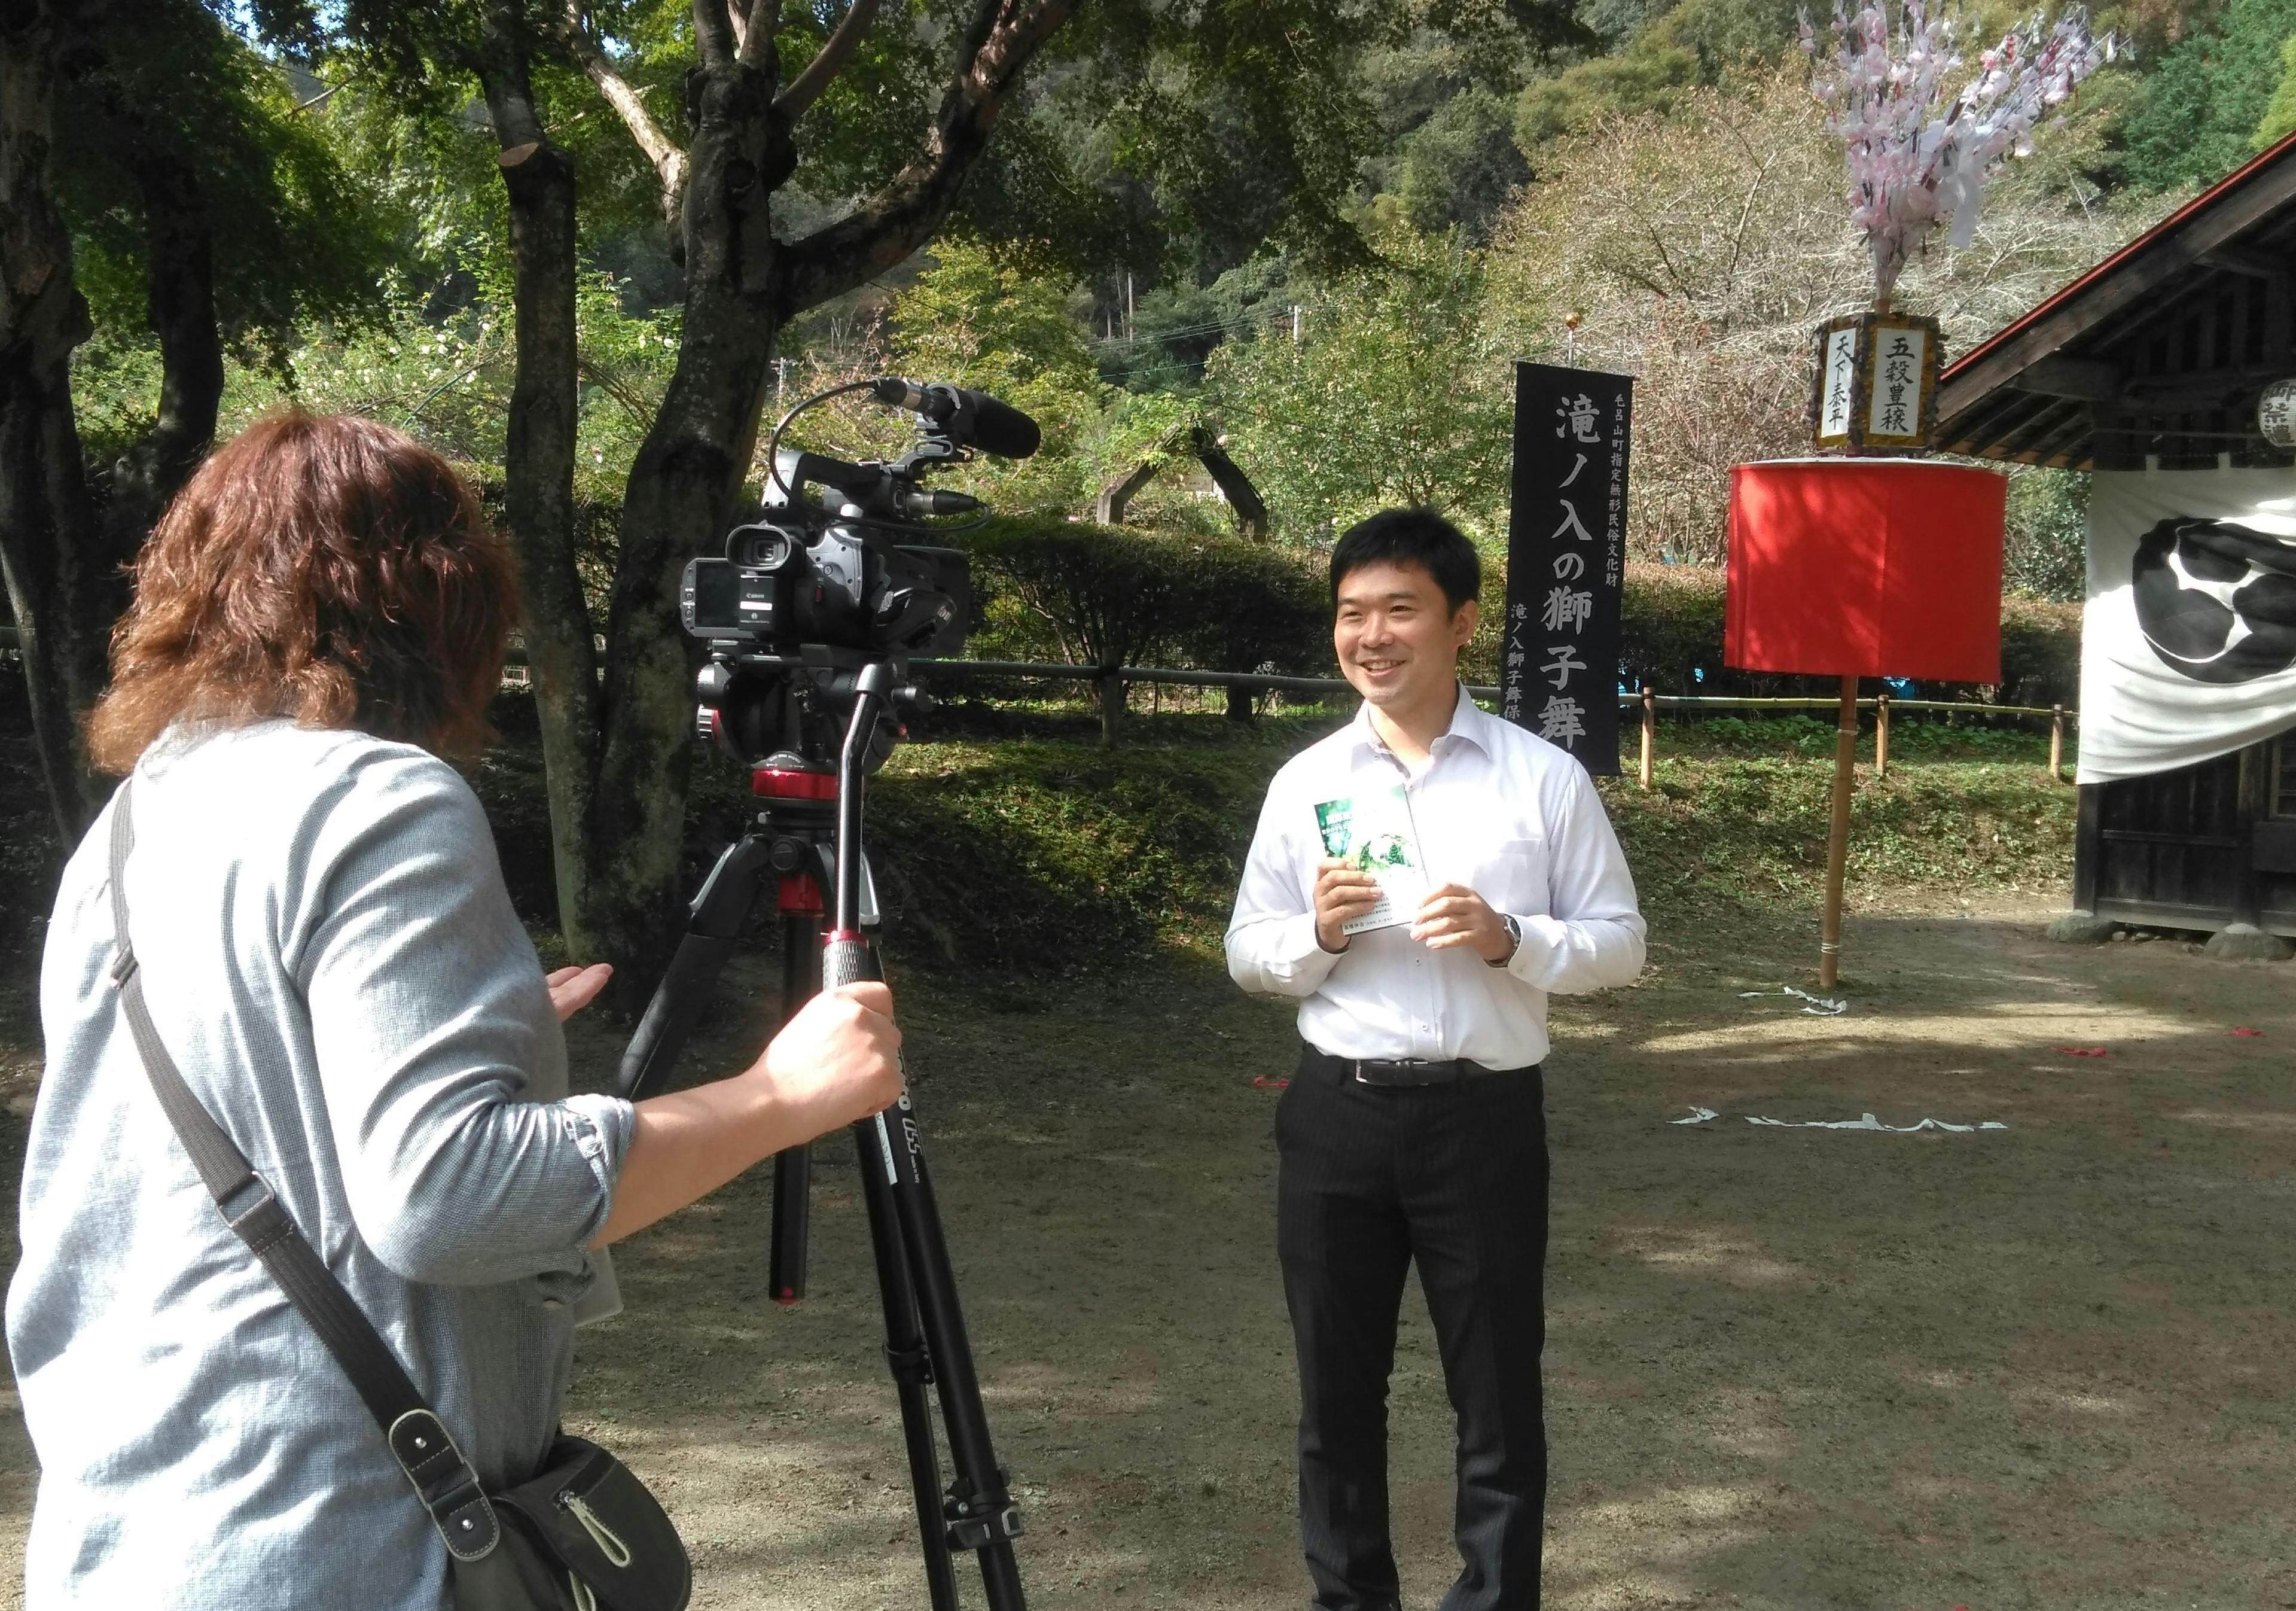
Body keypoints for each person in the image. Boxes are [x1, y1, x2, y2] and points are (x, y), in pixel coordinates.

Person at [4, 412, 905, 1609]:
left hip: (124, 1542)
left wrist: (455, 1022)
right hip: (332, 1552)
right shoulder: (380, 794)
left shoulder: (132, 827)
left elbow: (193, 1117)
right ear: (441, 596)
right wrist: (779, 1097)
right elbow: (450, 1198)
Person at [1225, 507, 1646, 1611]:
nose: (1372, 635)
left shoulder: (1541, 778)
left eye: (1400, 609)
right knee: (1335, 1396)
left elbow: (1621, 943)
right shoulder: (1306, 782)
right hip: (1337, 1115)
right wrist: (1317, 934)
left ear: (1462, 622)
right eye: (1352, 613)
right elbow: (1247, 951)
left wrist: (1514, 939)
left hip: (1483, 1118)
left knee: (1498, 1393)